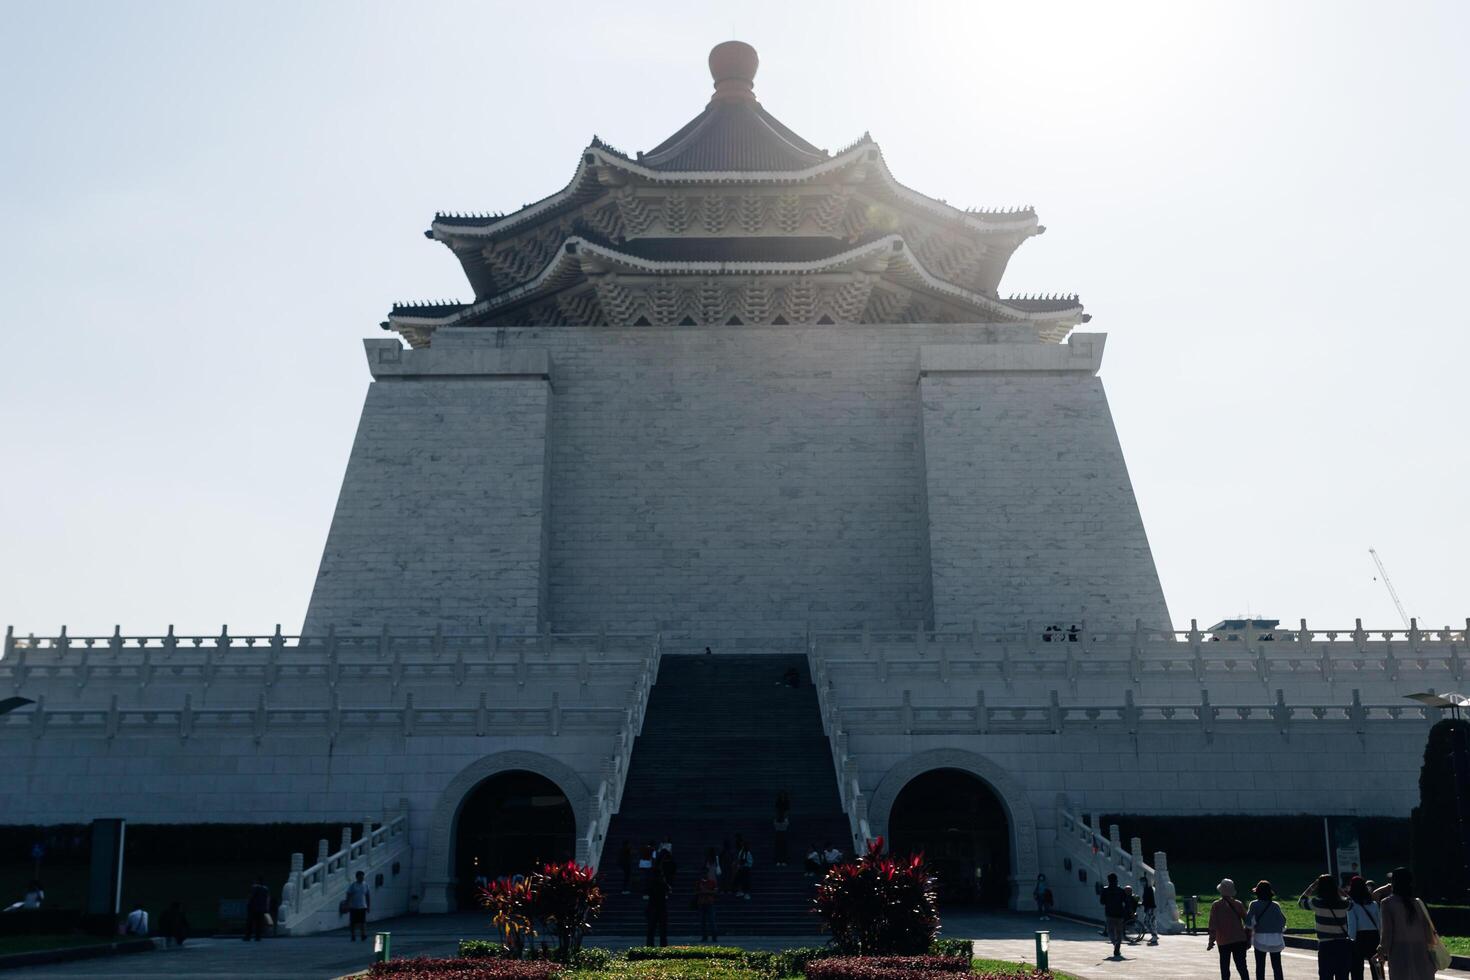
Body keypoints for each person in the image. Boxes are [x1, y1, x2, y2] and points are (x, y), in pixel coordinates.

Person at [1374, 867, 1436, 980]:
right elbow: (1428, 933)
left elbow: (1387, 933)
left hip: (1400, 954)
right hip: (1421, 953)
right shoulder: (1418, 903)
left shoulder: (1387, 903)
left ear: (1393, 883)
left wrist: (1381, 950)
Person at [1299, 873, 1352, 980]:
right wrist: (1338, 889)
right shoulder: (1343, 904)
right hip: (1342, 945)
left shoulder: (1317, 903)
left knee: (1325, 976)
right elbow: (1351, 901)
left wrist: (1312, 886)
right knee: (1342, 976)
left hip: (1325, 945)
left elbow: (1301, 902)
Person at [1207, 878, 1250, 980]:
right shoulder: (1238, 904)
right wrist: (1247, 937)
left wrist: (1211, 941)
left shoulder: (1216, 905)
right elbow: (1248, 921)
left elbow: (1213, 924)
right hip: (1239, 939)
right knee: (1242, 966)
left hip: (1223, 941)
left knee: (1225, 967)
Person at [1246, 880, 1287, 980]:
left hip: (1260, 937)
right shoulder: (1275, 905)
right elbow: (1283, 921)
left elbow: (1248, 922)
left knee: (1260, 966)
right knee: (1277, 966)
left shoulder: (1254, 904)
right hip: (1275, 938)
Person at [1345, 876, 1381, 980]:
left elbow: (1352, 925)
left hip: (1359, 937)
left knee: (1357, 968)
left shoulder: (1351, 905)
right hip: (1374, 936)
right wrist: (1380, 939)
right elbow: (1379, 923)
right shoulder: (1373, 904)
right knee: (1376, 967)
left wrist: (1351, 940)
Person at [1100, 872, 1129, 960]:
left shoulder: (1105, 890)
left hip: (1109, 913)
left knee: (1110, 931)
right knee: (1119, 932)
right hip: (1119, 914)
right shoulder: (1121, 890)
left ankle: (1114, 942)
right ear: (1116, 880)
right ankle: (1118, 946)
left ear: (1108, 880)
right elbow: (1126, 901)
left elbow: (1102, 902)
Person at [644, 853, 670, 947]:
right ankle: (663, 945)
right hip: (660, 906)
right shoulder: (660, 882)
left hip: (653, 906)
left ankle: (651, 945)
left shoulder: (652, 880)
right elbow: (667, 890)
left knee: (652, 929)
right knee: (661, 929)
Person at [345, 870, 371, 941]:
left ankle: (363, 935)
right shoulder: (353, 885)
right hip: (354, 907)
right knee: (353, 922)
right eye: (360, 877)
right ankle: (353, 935)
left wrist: (368, 906)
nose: (361, 878)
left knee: (363, 922)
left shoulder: (366, 885)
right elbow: (348, 895)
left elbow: (367, 896)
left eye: (362, 877)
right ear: (357, 877)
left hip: (362, 906)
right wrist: (347, 905)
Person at [695, 867, 719, 943]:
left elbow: (715, 892)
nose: (704, 874)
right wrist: (708, 892)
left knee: (711, 921)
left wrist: (704, 891)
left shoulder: (712, 882)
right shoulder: (699, 882)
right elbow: (696, 892)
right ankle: (705, 937)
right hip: (702, 903)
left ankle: (713, 937)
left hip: (709, 903)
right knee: (703, 921)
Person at [244, 876, 271, 941]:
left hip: (253, 908)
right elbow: (267, 899)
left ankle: (248, 936)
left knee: (250, 923)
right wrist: (266, 907)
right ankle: (258, 937)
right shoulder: (265, 889)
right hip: (261, 908)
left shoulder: (254, 888)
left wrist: (248, 903)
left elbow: (251, 897)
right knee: (259, 923)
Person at [1140, 876, 1159, 945]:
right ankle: (1154, 935)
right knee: (1150, 922)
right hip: (1148, 908)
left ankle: (1154, 935)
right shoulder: (1146, 888)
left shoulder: (1149, 888)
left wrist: (1142, 903)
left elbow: (1148, 899)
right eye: (1141, 881)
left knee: (1148, 922)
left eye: (1142, 881)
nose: (1141, 883)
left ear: (1145, 882)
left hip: (1150, 908)